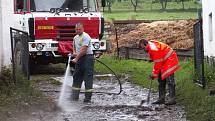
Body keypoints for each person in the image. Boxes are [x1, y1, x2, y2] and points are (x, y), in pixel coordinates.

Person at [139, 39, 180, 105]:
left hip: (170, 59)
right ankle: (161, 98)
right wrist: (154, 73)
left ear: (146, 44)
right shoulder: (150, 46)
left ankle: (172, 99)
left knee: (169, 80)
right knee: (160, 79)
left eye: (144, 48)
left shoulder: (153, 49)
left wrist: (154, 74)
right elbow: (157, 62)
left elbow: (158, 63)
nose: (144, 50)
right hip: (163, 60)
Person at [71, 23, 94, 103]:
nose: (78, 31)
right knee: (76, 76)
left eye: (79, 29)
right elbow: (74, 47)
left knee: (88, 77)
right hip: (80, 58)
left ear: (83, 29)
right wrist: (74, 53)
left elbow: (84, 50)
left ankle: (87, 98)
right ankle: (74, 96)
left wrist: (76, 58)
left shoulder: (86, 37)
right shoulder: (75, 37)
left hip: (87, 58)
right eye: (76, 29)